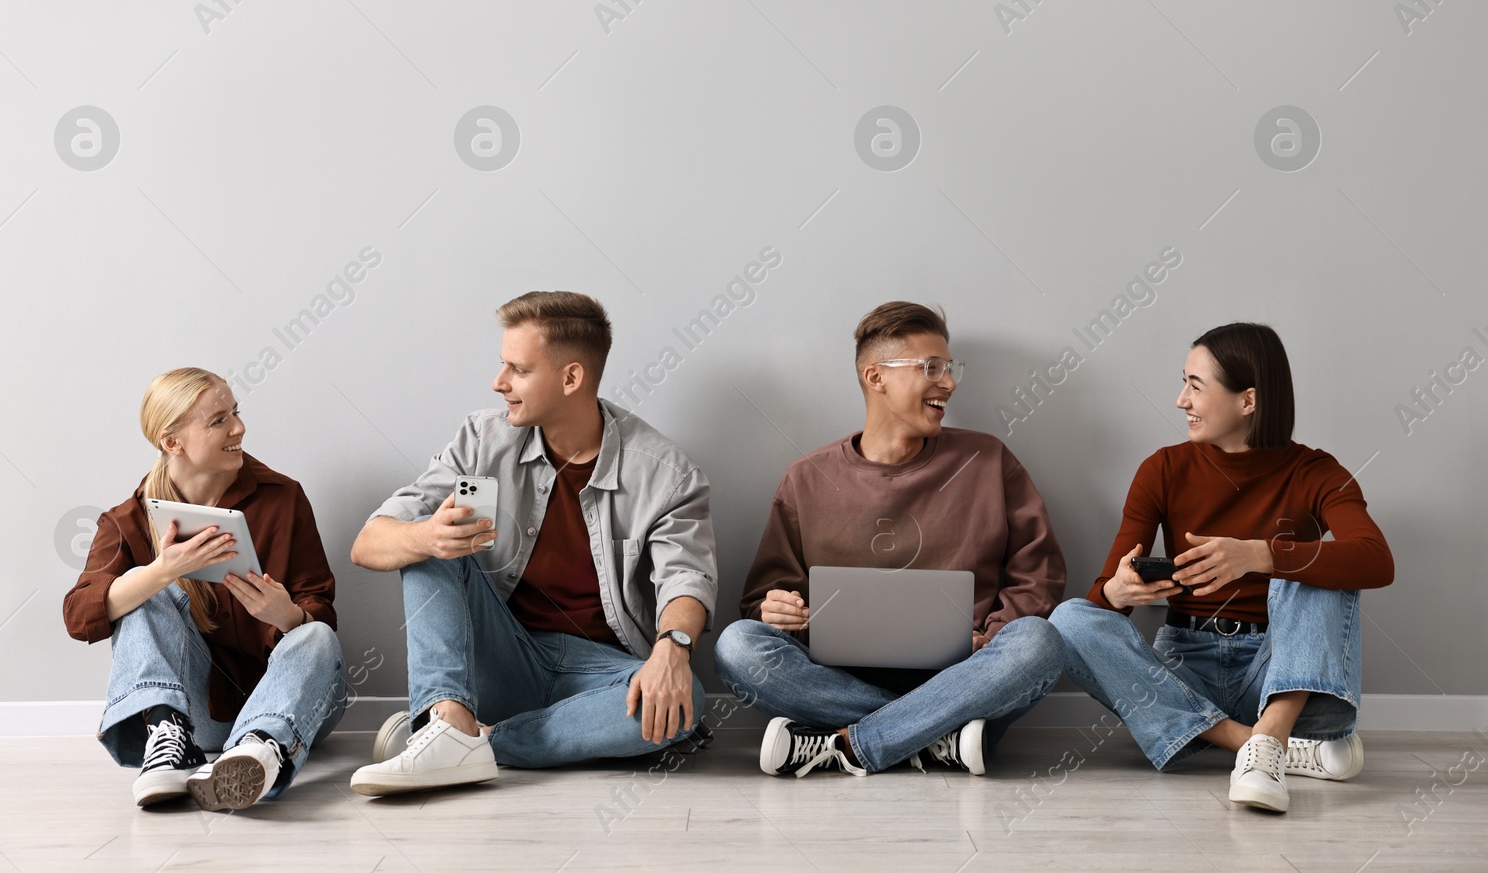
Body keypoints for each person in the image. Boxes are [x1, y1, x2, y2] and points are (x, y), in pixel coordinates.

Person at [347, 291, 717, 795]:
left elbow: (686, 579)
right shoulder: (481, 439)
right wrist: (426, 535)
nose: (499, 383)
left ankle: (468, 741)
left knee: (685, 699)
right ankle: (450, 723)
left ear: (570, 378)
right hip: (502, 654)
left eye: (517, 370)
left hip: (598, 673)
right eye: (503, 366)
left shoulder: (666, 474)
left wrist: (673, 650)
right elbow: (370, 543)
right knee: (429, 546)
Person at [1050, 322, 1394, 813]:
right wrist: (1118, 592)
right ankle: (1255, 745)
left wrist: (1262, 554)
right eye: (1183, 382)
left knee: (1320, 568)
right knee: (1069, 619)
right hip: (1183, 666)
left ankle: (1269, 733)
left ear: (1248, 401)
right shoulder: (1163, 469)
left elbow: (1376, 559)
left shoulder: (1315, 472)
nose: (1180, 400)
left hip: (1279, 676)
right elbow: (1100, 606)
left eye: (1195, 385)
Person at [715, 301, 1067, 778]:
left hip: (967, 676)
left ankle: (854, 743)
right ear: (875, 377)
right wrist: (775, 610)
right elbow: (762, 599)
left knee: (1038, 642)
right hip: (839, 680)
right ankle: (935, 740)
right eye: (932, 367)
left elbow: (1039, 571)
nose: (950, 381)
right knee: (737, 647)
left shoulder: (987, 458)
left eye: (950, 367)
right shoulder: (807, 478)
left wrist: (990, 639)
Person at [63, 368, 343, 810]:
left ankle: (259, 749)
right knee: (142, 590)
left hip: (297, 702)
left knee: (317, 635)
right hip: (200, 716)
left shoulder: (283, 497)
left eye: (235, 413)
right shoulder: (127, 520)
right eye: (218, 421)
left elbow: (320, 608)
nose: (239, 428)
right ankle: (170, 740)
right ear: (172, 442)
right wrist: (161, 571)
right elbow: (79, 617)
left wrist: (287, 615)